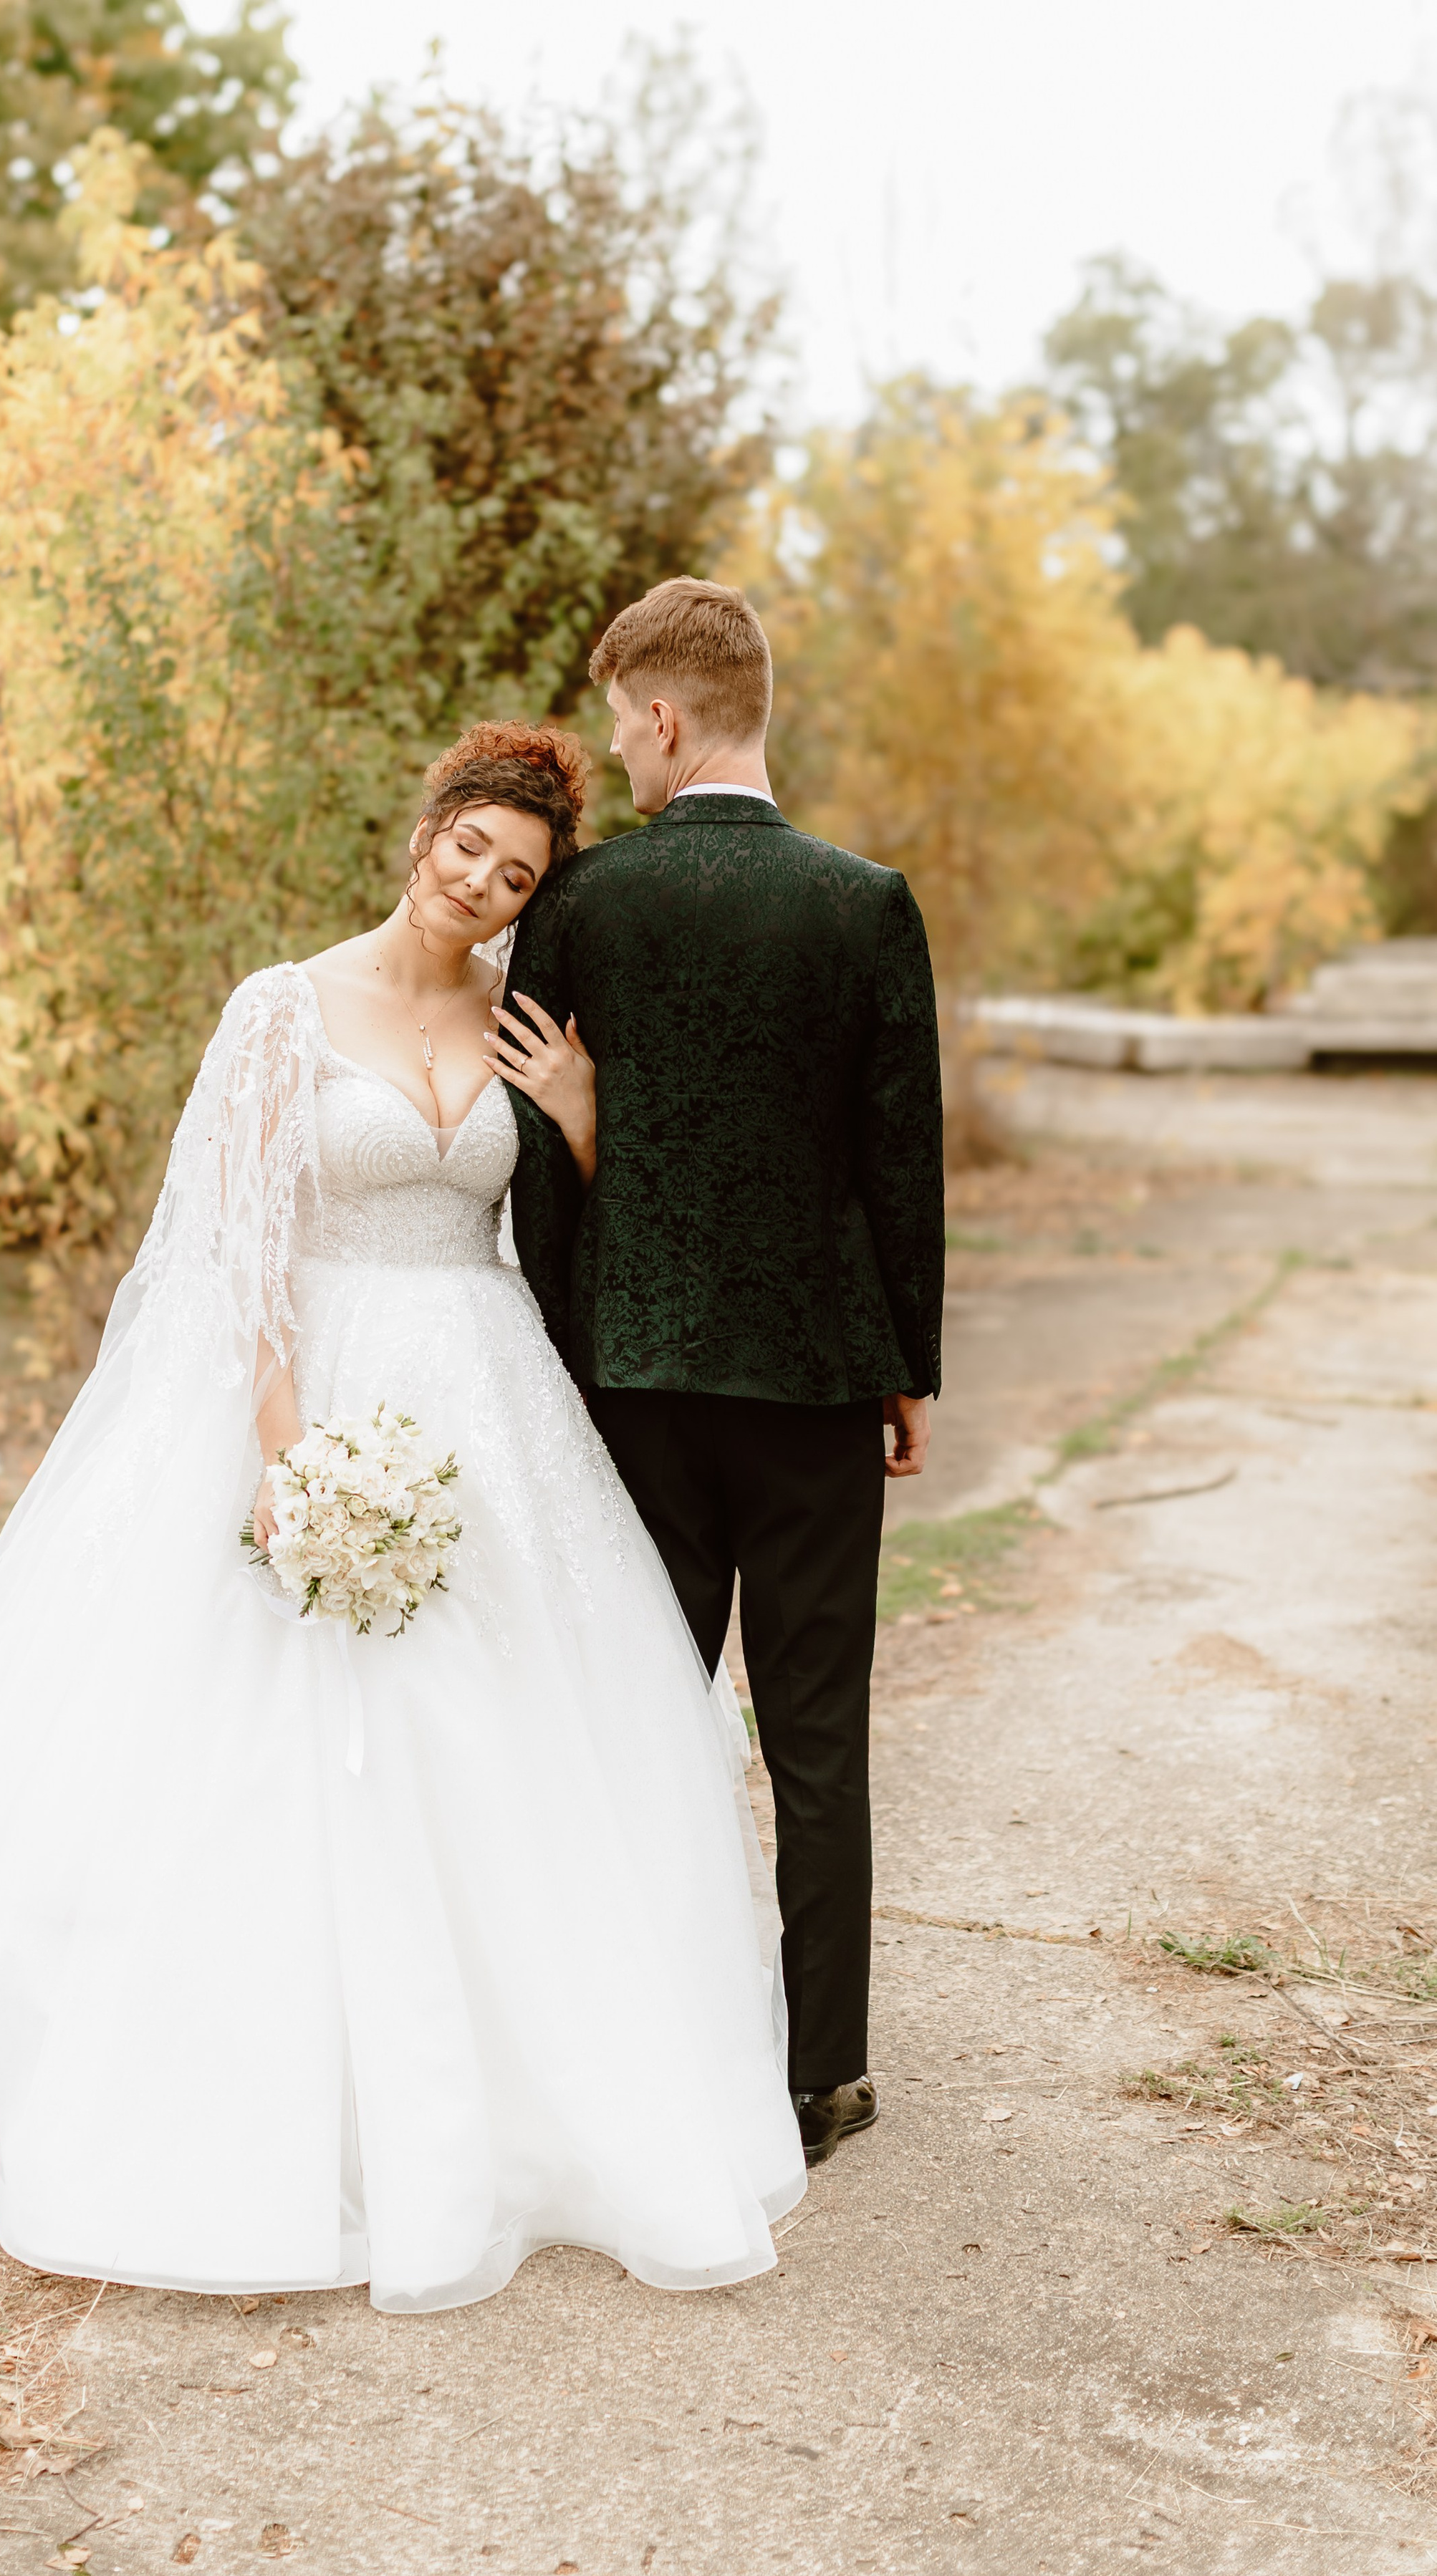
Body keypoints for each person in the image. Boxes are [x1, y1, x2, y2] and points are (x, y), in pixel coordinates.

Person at [0, 720, 804, 2314]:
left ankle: (509, 2087)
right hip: (307, 1378)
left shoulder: (528, 1019)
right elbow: (238, 1245)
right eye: (470, 844)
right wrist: (281, 1451)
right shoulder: (279, 1010)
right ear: (426, 830)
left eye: (516, 872)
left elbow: (565, 1222)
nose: (480, 880)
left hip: (483, 1391)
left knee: (506, 1735)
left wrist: (584, 1115)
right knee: (236, 1730)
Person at [498, 582, 943, 2168]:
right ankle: (821, 2070)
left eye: (620, 721)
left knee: (639, 1718)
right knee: (817, 1737)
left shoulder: (587, 907)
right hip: (820, 1386)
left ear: (667, 719)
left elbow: (538, 1167)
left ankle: (635, 2037)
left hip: (632, 1389)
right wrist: (906, 1363)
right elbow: (897, 1160)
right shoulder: (861, 901)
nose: (616, 749)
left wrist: (553, 1366)